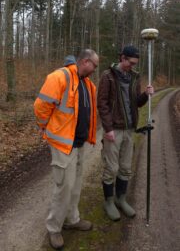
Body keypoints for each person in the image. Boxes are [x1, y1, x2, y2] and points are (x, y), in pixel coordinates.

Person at [34, 49, 99, 250]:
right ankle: (54, 228)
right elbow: (40, 106)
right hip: (63, 145)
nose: (95, 70)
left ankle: (72, 219)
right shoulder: (60, 77)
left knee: (75, 184)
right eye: (94, 65)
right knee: (63, 187)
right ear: (85, 61)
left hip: (79, 144)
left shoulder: (88, 85)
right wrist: (47, 127)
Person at [97, 45, 154, 221]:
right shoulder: (108, 76)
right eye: (130, 62)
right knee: (111, 168)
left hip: (130, 129)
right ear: (122, 58)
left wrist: (145, 94)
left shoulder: (134, 77)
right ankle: (108, 201)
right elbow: (102, 104)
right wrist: (108, 129)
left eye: (135, 63)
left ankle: (120, 198)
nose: (132, 66)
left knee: (126, 168)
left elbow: (136, 103)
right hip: (114, 130)